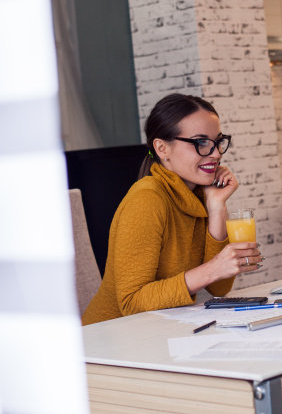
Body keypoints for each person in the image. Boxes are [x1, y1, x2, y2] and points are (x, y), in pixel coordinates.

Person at [81, 93, 263, 325]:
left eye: (217, 141)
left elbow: (219, 287)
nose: (216, 153)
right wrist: (212, 268)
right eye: (201, 142)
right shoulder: (147, 199)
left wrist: (217, 207)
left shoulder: (198, 195)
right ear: (162, 148)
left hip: (161, 332)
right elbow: (131, 302)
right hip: (111, 339)